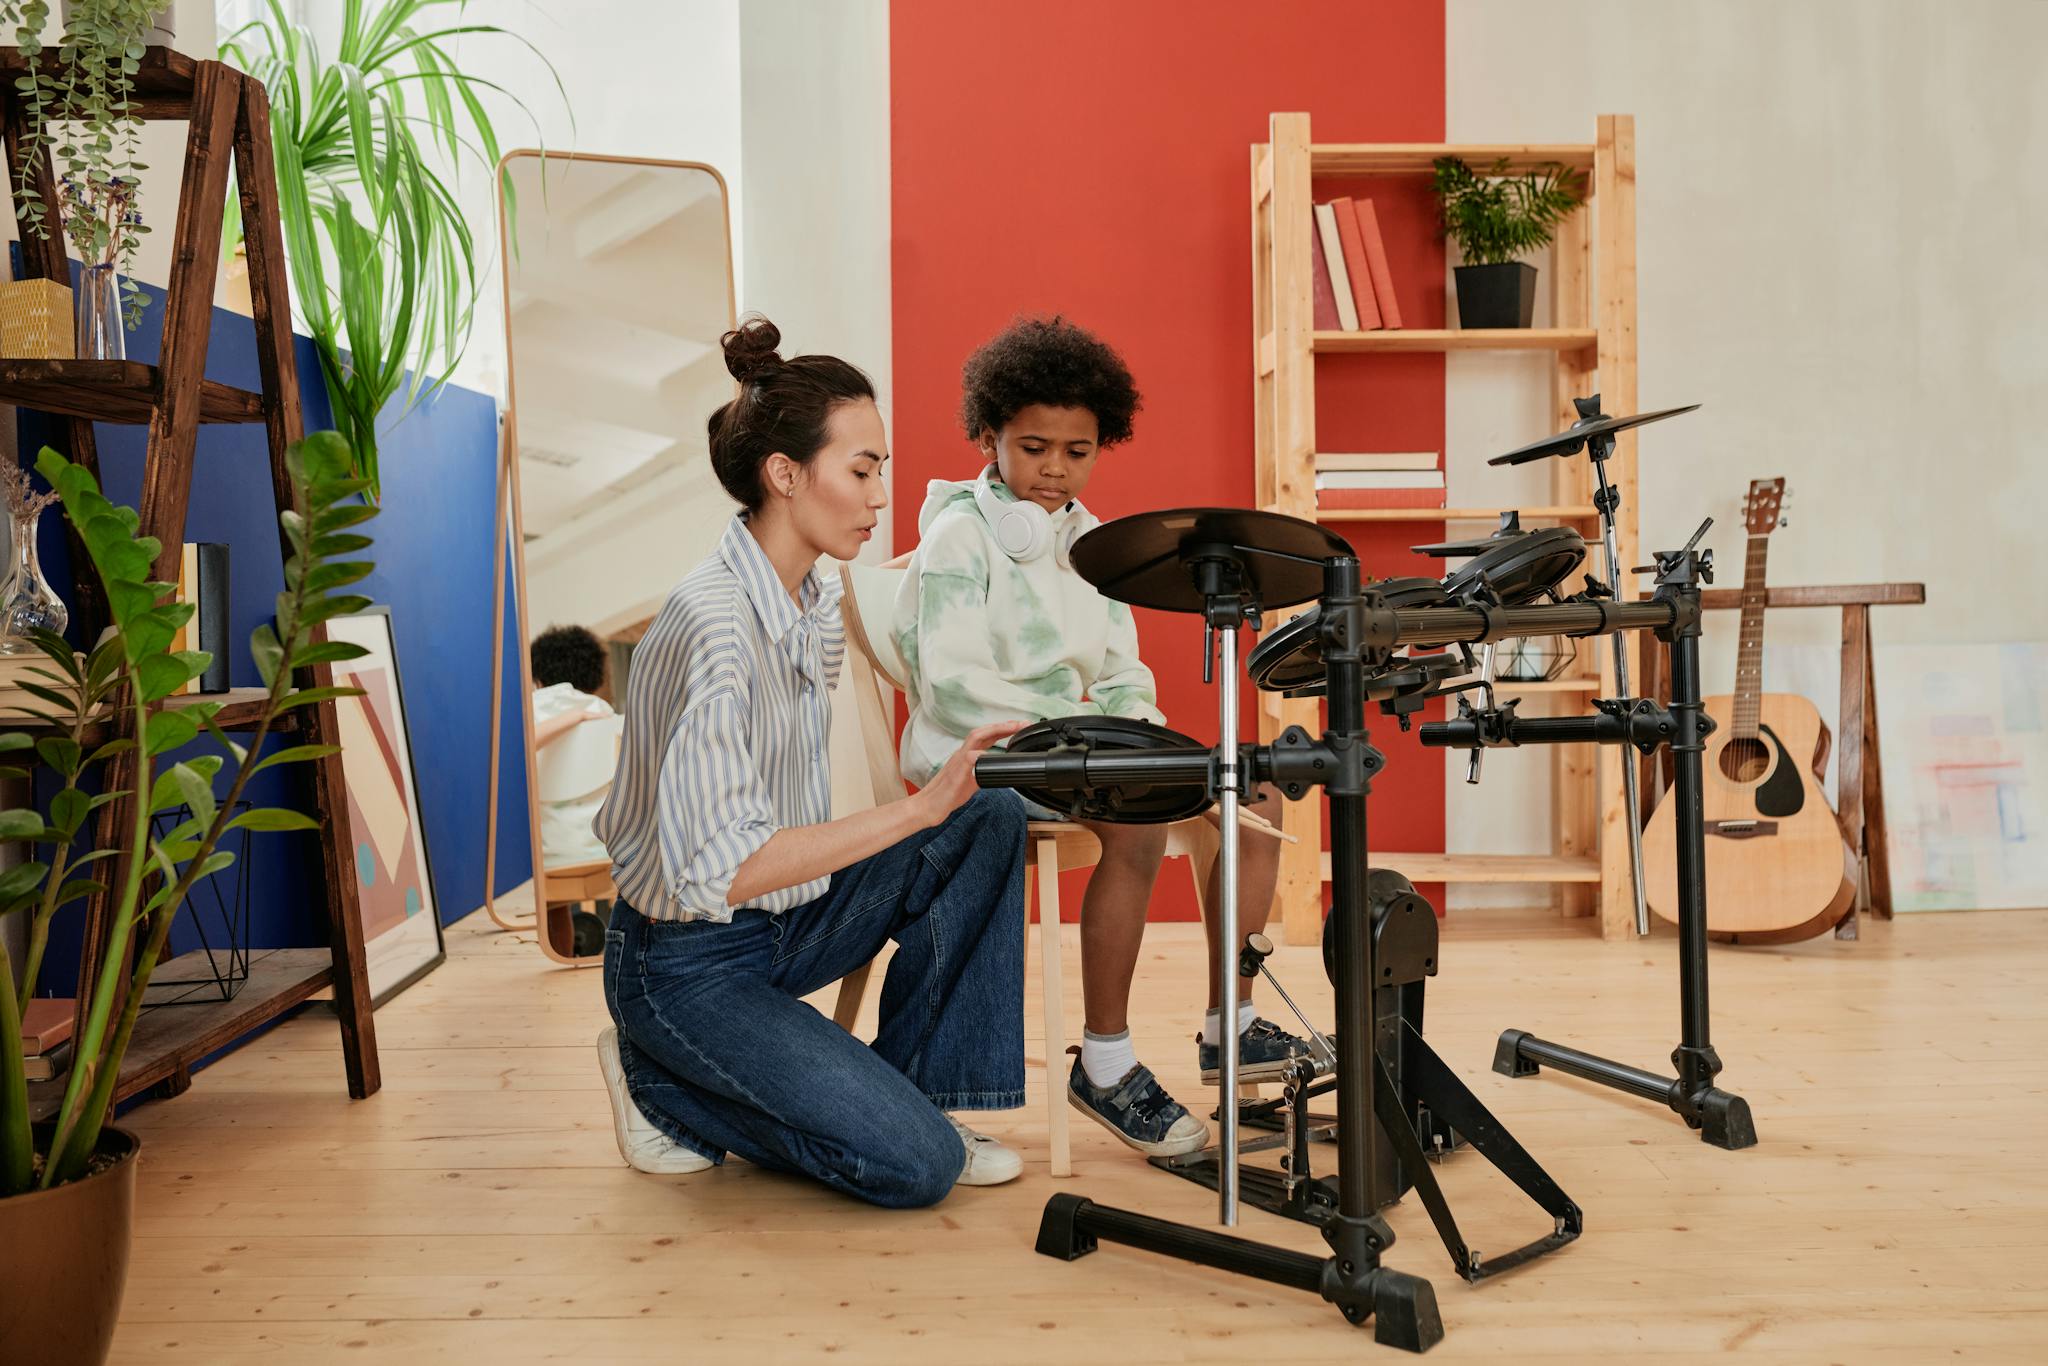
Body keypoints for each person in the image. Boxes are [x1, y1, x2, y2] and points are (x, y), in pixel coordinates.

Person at [591, 316, 1029, 1208]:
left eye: (881, 473)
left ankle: (923, 1099)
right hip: (684, 961)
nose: (876, 497)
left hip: (787, 924)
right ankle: (661, 1082)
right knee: (916, 1170)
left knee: (992, 815)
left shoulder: (812, 592)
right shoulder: (713, 626)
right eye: (860, 471)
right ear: (784, 476)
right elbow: (728, 868)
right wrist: (915, 810)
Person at [892, 316, 1307, 1160]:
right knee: (1140, 818)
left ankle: (1233, 1022)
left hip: (1077, 744)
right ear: (988, 436)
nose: (1055, 469)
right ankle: (1108, 1066)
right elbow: (951, 682)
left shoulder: (1094, 542)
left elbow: (1123, 673)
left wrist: (1146, 743)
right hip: (989, 753)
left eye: (1076, 452)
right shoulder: (957, 538)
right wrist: (1088, 745)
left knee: (1252, 792)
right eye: (1034, 446)